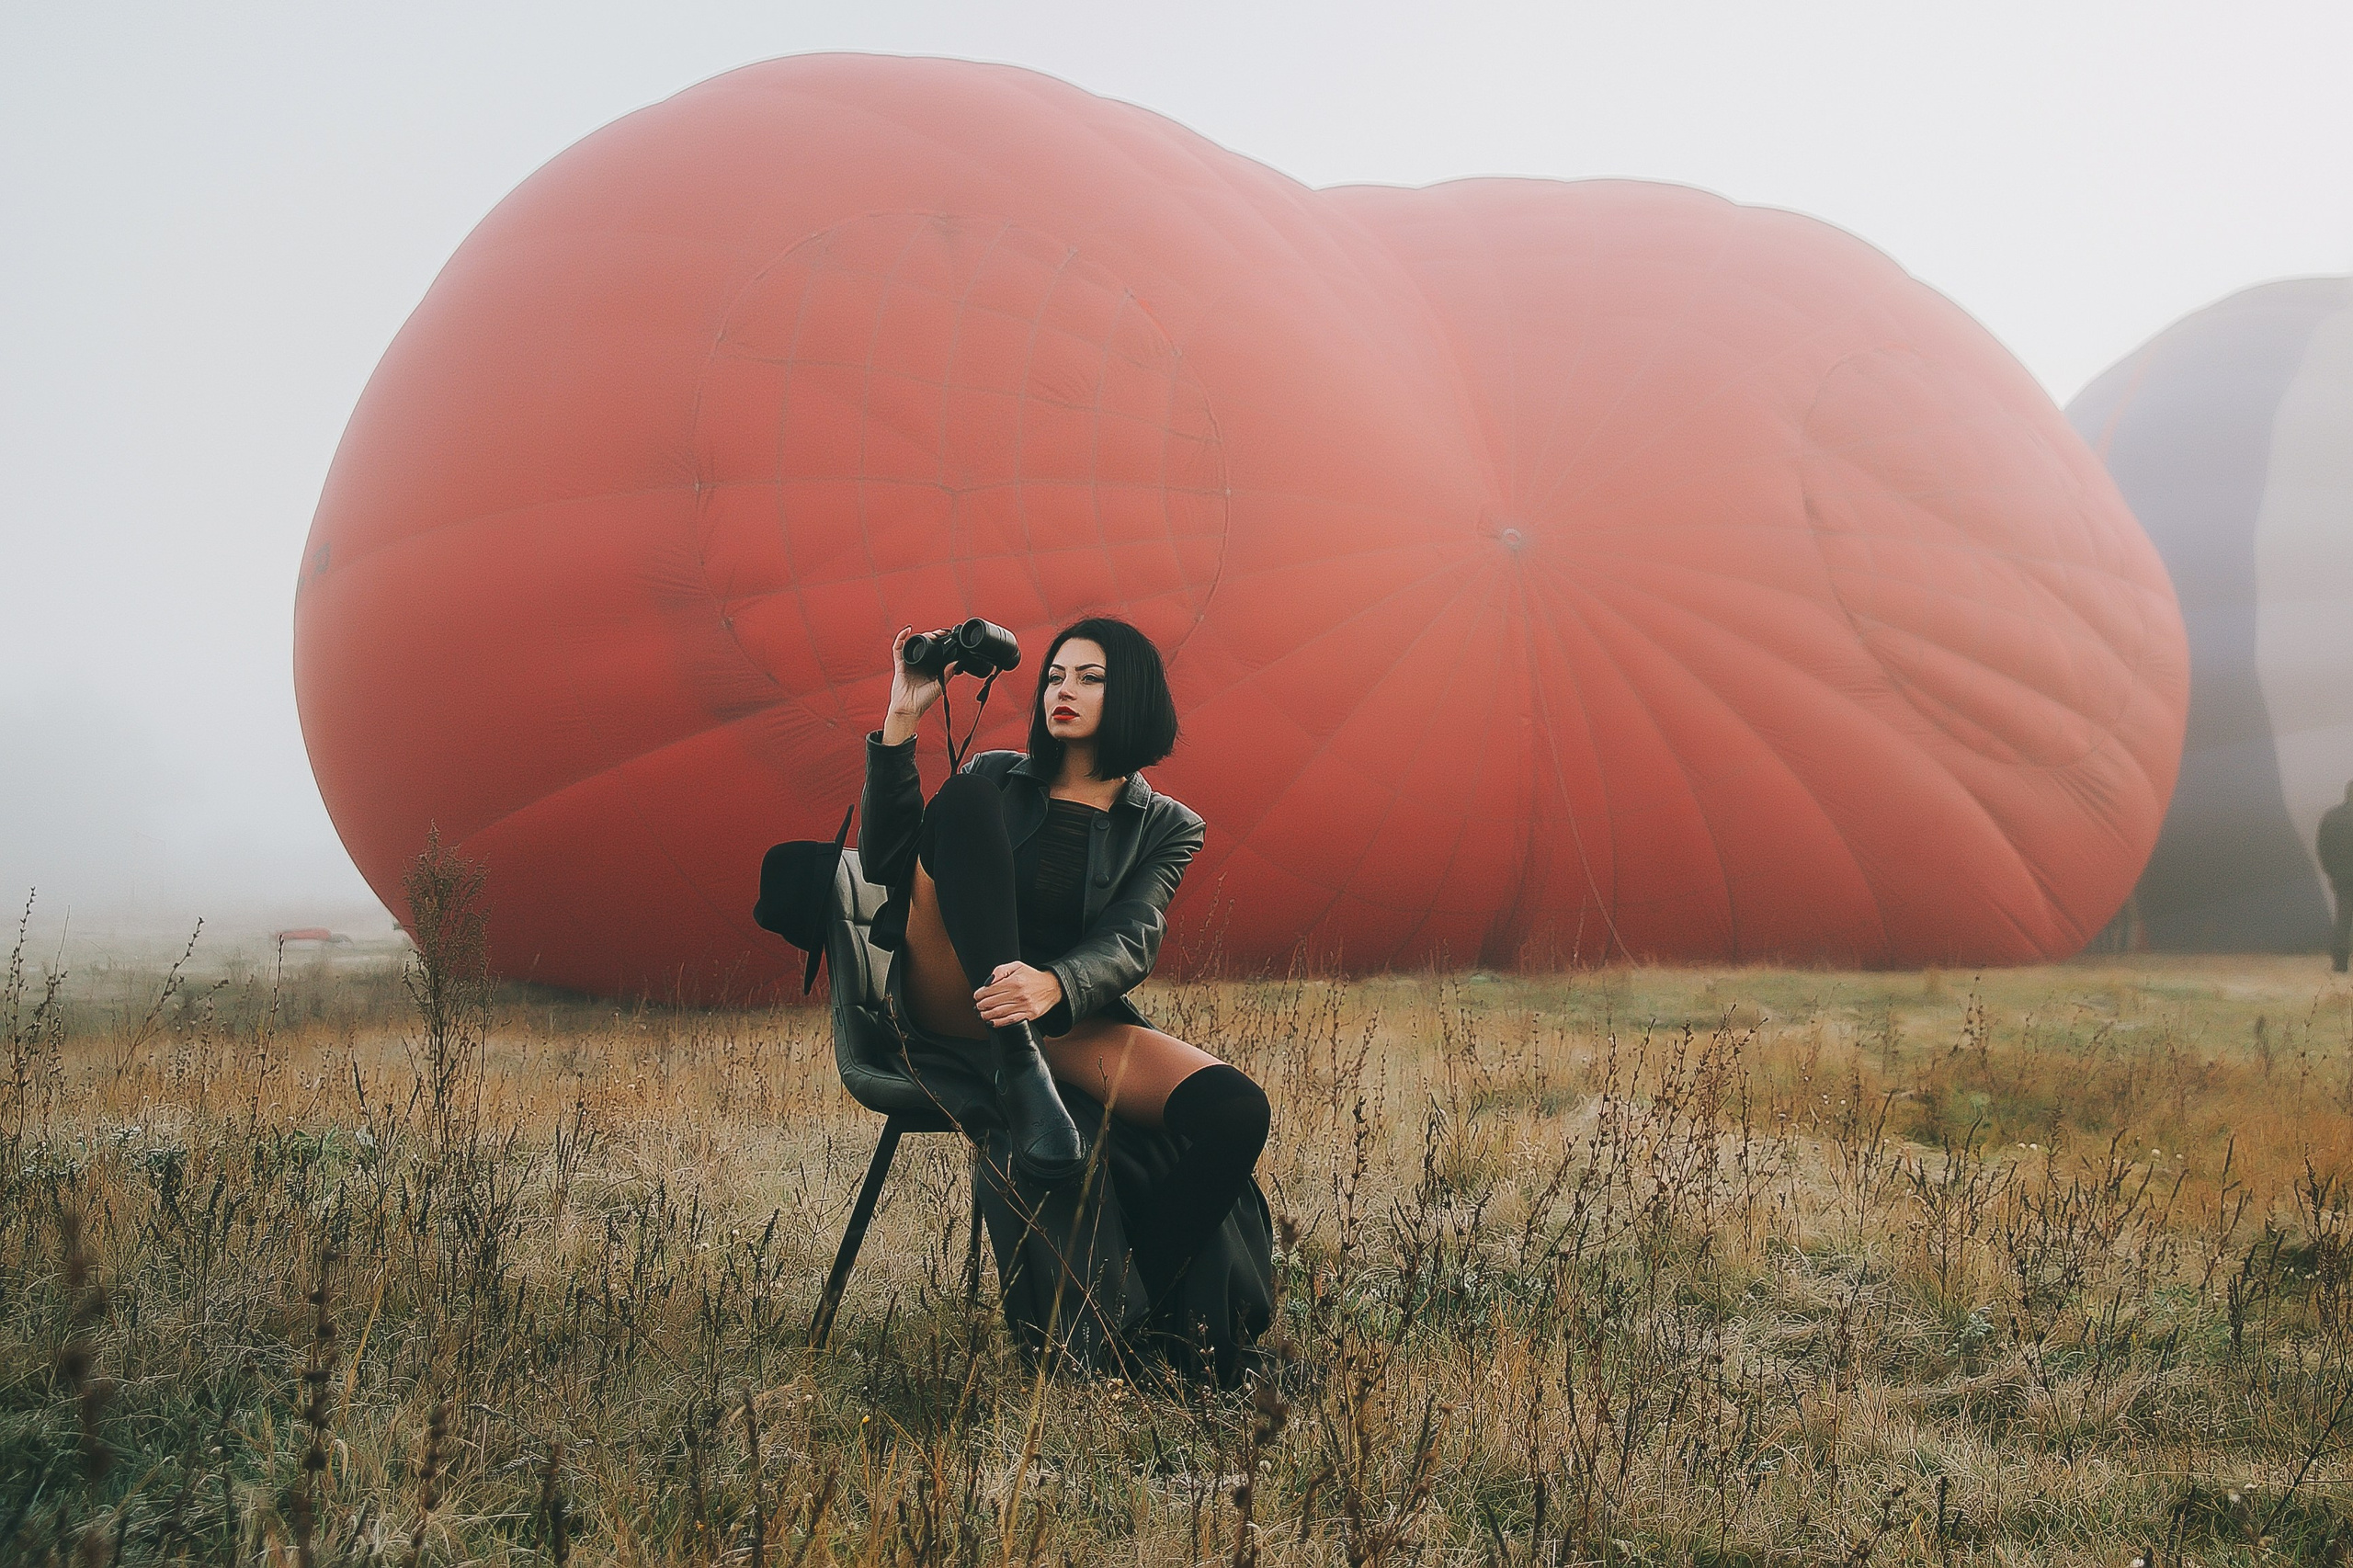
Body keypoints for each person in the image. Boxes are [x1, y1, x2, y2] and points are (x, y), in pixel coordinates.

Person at [857, 615, 1271, 1308]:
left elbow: (1134, 934)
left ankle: (1143, 1312)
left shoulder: (1169, 824)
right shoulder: (994, 777)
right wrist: (902, 718)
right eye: (1053, 676)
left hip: (1053, 1008)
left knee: (1235, 1111)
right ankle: (1018, 1066)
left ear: (1133, 694)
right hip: (954, 989)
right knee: (962, 798)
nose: (1062, 690)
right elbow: (885, 862)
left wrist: (1054, 985)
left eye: (1090, 677)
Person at [2322, 780, 2353, 974]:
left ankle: (2340, 963)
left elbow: (2322, 848)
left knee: (2343, 919)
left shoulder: (2332, 817)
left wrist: (2331, 872)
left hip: (2342, 879)